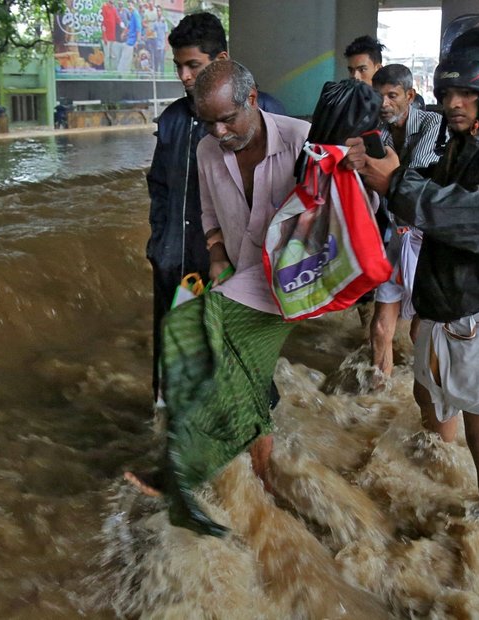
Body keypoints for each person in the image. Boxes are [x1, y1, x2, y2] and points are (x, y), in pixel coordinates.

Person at [345, 15, 479, 535]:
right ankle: (439, 488)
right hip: (446, 313)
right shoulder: (459, 143)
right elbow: (428, 197)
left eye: (465, 93)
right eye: (448, 92)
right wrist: (383, 168)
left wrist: (398, 183)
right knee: (429, 402)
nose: (452, 103)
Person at [128, 59, 310, 536]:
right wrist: (213, 250)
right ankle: (263, 489)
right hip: (242, 274)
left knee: (197, 336)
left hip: (294, 279)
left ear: (252, 99)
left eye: (228, 118)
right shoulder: (208, 149)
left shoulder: (301, 141)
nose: (220, 130)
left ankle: (183, 473)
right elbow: (207, 207)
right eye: (209, 121)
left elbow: (348, 210)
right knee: (246, 376)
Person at [143, 12, 285, 404]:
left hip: (235, 267)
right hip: (178, 264)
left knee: (242, 363)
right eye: (179, 67)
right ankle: (172, 434)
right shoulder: (173, 119)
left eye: (194, 65)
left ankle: (255, 449)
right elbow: (159, 185)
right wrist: (160, 244)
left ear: (221, 60)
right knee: (178, 358)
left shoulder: (264, 114)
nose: (186, 76)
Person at [368, 64, 445, 380]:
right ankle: (378, 390)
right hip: (397, 235)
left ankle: (431, 393)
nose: (384, 103)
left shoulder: (433, 122)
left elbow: (413, 175)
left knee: (422, 331)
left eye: (392, 95)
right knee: (380, 325)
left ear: (410, 95)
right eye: (378, 96)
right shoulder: (378, 130)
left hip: (430, 241)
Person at [100, 0, 121, 72]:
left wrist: (122, 24)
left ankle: (113, 70)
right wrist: (104, 36)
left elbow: (117, 19)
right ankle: (107, 70)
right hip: (106, 37)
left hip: (113, 37)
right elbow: (102, 23)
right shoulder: (104, 7)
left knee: (113, 55)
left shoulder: (114, 8)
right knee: (107, 55)